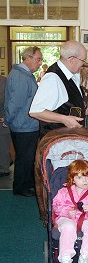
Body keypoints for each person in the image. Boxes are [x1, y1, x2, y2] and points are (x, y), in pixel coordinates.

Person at [29, 40, 88, 137]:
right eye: (83, 60)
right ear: (72, 60)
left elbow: (65, 106)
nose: (84, 64)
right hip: (57, 140)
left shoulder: (68, 75)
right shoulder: (53, 78)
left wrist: (84, 111)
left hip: (67, 139)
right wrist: (64, 119)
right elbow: (36, 111)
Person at [4, 46, 42, 196]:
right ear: (27, 58)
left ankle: (26, 183)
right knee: (24, 158)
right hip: (23, 125)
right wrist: (8, 120)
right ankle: (20, 188)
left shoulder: (24, 74)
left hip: (25, 124)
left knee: (27, 156)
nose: (40, 63)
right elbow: (16, 103)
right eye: (38, 59)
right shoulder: (21, 76)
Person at [0, 75, 11, 177]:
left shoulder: (3, 81)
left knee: (3, 145)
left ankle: (4, 169)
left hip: (3, 118)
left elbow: (7, 101)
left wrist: (5, 116)